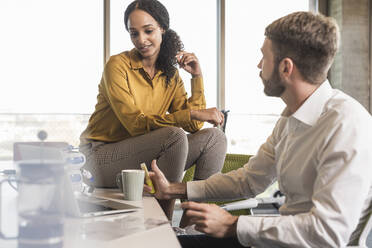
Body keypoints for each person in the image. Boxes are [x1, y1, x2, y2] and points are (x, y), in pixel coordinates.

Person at [145, 11, 372, 247]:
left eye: (264, 57)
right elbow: (249, 180)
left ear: (286, 68)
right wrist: (173, 189)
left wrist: (231, 225)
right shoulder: (289, 120)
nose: (259, 65)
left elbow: (328, 233)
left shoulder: (347, 125)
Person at [79, 0, 227, 220]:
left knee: (214, 138)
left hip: (143, 155)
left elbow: (194, 126)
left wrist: (197, 77)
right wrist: (193, 113)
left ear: (162, 29)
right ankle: (164, 225)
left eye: (148, 31)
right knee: (174, 136)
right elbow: (135, 123)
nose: (141, 40)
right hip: (98, 159)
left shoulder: (170, 74)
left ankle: (192, 225)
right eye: (134, 33)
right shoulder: (117, 66)